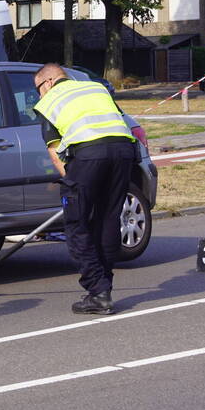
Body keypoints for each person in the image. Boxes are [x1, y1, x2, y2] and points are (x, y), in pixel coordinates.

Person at [33, 63, 137, 315]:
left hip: (89, 154)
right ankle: (105, 288)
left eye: (38, 89)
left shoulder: (48, 102)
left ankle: (98, 292)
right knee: (108, 218)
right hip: (124, 152)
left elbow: (55, 151)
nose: (39, 95)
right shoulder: (96, 88)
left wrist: (72, 184)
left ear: (47, 82)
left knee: (77, 224)